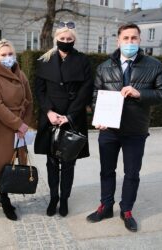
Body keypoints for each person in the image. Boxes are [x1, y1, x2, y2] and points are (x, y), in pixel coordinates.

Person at [86, 23, 162, 232]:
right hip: (109, 131)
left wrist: (140, 93)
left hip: (136, 131)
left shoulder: (154, 65)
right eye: (126, 38)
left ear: (140, 41)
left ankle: (126, 210)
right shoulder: (104, 67)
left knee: (132, 173)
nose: (130, 42)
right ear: (118, 41)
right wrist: (97, 116)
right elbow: (95, 97)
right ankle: (106, 207)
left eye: (134, 38)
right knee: (106, 171)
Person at [34, 21, 93, 217]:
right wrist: (49, 112)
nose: (65, 41)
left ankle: (65, 198)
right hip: (50, 117)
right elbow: (39, 90)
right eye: (62, 38)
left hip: (72, 117)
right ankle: (53, 198)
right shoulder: (44, 60)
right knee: (51, 162)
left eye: (69, 39)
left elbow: (86, 90)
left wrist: (69, 115)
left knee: (68, 162)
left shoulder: (83, 60)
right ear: (56, 39)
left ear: (74, 40)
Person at [0, 39, 33, 221]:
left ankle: (0, 193)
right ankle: (4, 200)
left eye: (10, 54)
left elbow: (29, 101)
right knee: (1, 164)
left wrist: (24, 124)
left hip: (18, 125)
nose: (7, 57)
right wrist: (18, 124)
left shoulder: (21, 74)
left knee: (14, 163)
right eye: (3, 54)